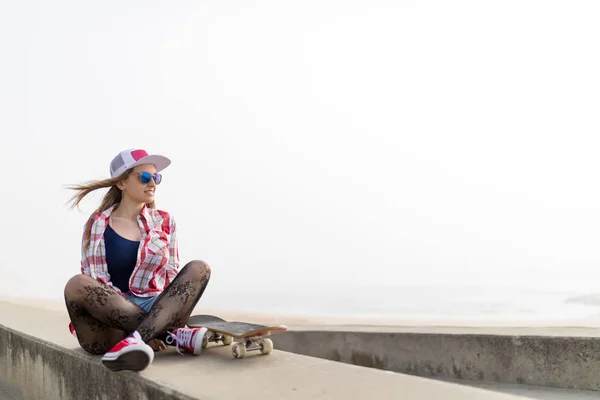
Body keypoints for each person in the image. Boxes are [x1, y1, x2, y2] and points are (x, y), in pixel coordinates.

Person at [63, 148, 211, 372]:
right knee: (77, 284)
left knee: (200, 268)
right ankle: (170, 336)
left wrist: (158, 318)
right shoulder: (98, 223)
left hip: (156, 309)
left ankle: (137, 340)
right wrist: (146, 322)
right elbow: (97, 280)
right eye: (144, 177)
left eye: (156, 177)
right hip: (109, 323)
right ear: (122, 183)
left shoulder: (164, 221)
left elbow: (171, 274)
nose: (152, 183)